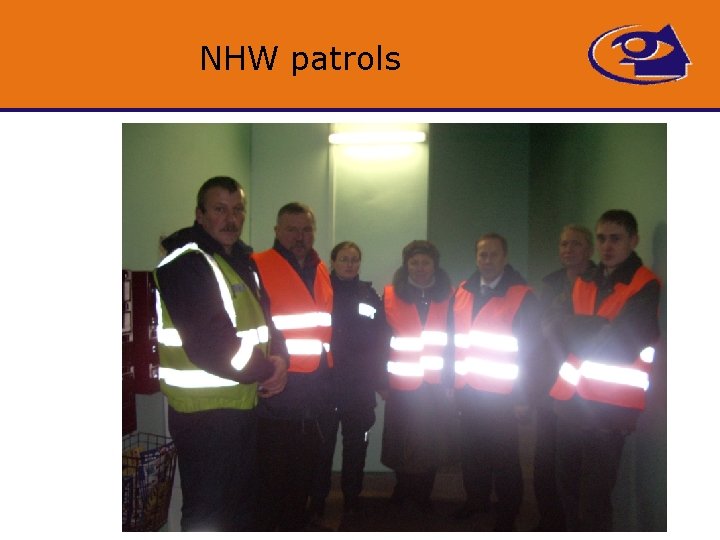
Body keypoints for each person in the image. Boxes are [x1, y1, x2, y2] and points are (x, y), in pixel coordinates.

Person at [153, 176, 288, 531]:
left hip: (240, 404)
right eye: (220, 209)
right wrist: (267, 369)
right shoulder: (186, 264)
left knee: (239, 508)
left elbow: (265, 320)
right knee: (207, 513)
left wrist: (280, 359)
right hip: (205, 415)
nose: (231, 219)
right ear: (200, 215)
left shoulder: (239, 260)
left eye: (238, 210)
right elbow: (212, 345)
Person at [546, 210, 660, 531]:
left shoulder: (645, 284)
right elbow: (553, 328)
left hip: (610, 410)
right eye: (601, 239)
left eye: (616, 239)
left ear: (633, 241)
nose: (607, 246)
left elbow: (624, 345)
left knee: (595, 500)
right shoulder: (584, 280)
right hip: (570, 402)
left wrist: (578, 329)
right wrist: (599, 327)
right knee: (566, 487)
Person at [251, 202, 335, 531]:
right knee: (275, 471)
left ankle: (297, 523)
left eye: (307, 230)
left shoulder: (320, 267)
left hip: (315, 387)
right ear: (277, 231)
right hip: (279, 384)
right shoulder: (257, 264)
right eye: (292, 229)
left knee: (305, 466)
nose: (300, 236)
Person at [451, 232, 542, 531]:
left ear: (505, 258)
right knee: (472, 453)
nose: (487, 260)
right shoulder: (461, 291)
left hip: (503, 395)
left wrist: (523, 397)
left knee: (504, 458)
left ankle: (508, 512)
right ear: (476, 258)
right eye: (482, 255)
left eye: (493, 255)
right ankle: (476, 500)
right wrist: (452, 383)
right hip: (468, 391)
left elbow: (531, 352)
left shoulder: (522, 295)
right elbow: (454, 342)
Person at [309, 241, 388, 520]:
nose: (350, 264)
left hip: (359, 388)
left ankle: (352, 499)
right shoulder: (320, 292)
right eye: (344, 259)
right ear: (333, 261)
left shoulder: (369, 295)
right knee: (322, 450)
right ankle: (317, 500)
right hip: (326, 386)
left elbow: (381, 339)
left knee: (356, 449)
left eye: (354, 259)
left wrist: (380, 379)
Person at [380, 240, 455, 513]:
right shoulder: (390, 294)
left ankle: (424, 494)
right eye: (414, 262)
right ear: (406, 265)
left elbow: (455, 342)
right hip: (400, 383)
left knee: (431, 440)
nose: (420, 267)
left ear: (435, 265)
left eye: (425, 262)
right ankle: (402, 489)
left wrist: (451, 379)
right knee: (400, 440)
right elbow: (380, 341)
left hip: (436, 383)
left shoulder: (451, 296)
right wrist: (381, 381)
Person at [532, 224, 596, 531]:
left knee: (573, 465)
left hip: (583, 390)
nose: (568, 250)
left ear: (589, 249)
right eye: (563, 244)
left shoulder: (600, 283)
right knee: (544, 460)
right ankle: (549, 521)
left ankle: (572, 526)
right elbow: (539, 334)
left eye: (576, 244)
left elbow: (590, 333)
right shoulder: (550, 284)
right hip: (548, 383)